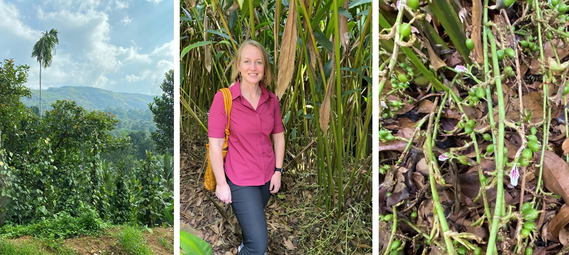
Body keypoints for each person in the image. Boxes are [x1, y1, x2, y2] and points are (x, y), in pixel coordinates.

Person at [208, 40, 285, 255]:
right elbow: (214, 145)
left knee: (252, 226)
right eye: (247, 61)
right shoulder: (224, 99)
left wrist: (278, 171)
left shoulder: (271, 100)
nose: (253, 67)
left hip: (267, 177)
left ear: (264, 68)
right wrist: (222, 184)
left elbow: (278, 138)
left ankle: (245, 243)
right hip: (240, 180)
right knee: (258, 246)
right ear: (239, 66)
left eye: (258, 62)